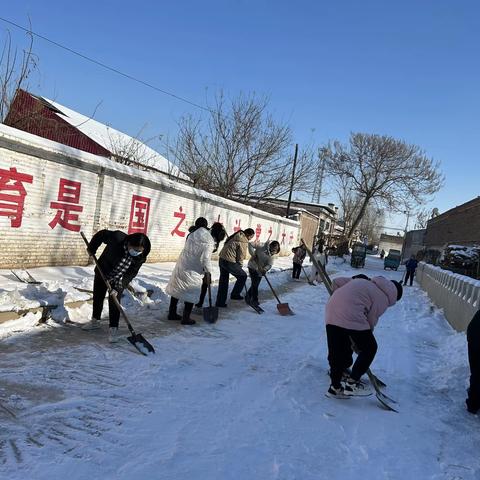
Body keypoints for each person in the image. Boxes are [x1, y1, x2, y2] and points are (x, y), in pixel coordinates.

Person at [325, 275, 403, 398]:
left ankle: (335, 387)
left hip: (332, 311)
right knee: (370, 348)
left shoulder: (365, 281)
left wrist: (341, 300)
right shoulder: (383, 298)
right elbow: (371, 319)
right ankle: (352, 383)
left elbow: (337, 282)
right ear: (395, 296)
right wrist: (362, 340)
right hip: (352, 314)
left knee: (337, 352)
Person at [82, 230, 151, 343]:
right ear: (128, 243)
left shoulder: (141, 257)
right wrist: (92, 248)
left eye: (139, 250)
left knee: (115, 302)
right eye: (134, 249)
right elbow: (101, 234)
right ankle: (95, 321)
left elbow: (131, 273)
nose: (136, 252)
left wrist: (119, 286)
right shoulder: (117, 238)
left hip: (119, 278)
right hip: (103, 270)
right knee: (98, 296)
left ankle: (113, 328)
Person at [166, 221, 226, 325]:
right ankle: (186, 318)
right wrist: (208, 272)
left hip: (182, 264)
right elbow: (205, 259)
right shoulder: (209, 242)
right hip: (193, 269)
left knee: (177, 287)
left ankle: (172, 313)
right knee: (191, 291)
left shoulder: (195, 233)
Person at [215, 228, 255, 307]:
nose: (251, 239)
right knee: (243, 276)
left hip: (222, 259)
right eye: (251, 237)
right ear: (248, 235)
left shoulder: (236, 236)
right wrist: (239, 266)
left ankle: (220, 302)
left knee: (223, 281)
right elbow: (240, 256)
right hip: (229, 261)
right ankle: (235, 294)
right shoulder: (243, 241)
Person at [245, 240, 281, 307]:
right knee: (255, 284)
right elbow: (250, 244)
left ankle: (248, 296)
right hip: (252, 266)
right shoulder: (262, 246)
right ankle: (254, 300)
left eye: (276, 249)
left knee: (255, 284)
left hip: (260, 270)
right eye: (274, 248)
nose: (274, 250)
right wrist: (253, 254)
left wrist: (265, 270)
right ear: (270, 246)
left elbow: (269, 264)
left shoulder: (272, 256)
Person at [466, 310, 480, 414]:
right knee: (477, 372)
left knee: (476, 371)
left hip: (474, 332)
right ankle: (473, 403)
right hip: (476, 335)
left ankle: (473, 402)